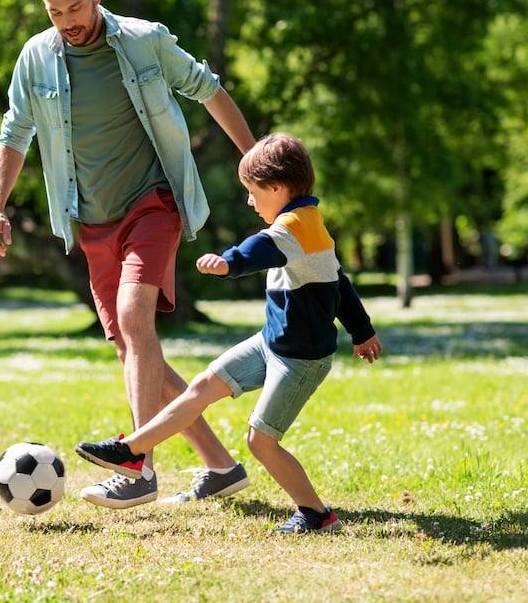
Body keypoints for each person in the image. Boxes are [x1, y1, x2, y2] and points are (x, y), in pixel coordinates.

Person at [0, 0, 258, 509]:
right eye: (56, 12)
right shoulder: (35, 58)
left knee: (136, 320)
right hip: (90, 218)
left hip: (152, 202)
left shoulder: (143, 40)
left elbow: (209, 89)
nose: (68, 21)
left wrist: (257, 169)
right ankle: (221, 468)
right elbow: (14, 133)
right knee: (132, 349)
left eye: (76, 7)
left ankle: (137, 466)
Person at [75, 133, 384, 533]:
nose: (250, 201)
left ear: (277, 187)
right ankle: (132, 452)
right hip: (270, 343)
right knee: (201, 386)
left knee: (261, 441)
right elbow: (339, 284)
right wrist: (363, 332)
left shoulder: (295, 227)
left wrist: (228, 263)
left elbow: (261, 249)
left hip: (300, 359)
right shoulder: (309, 224)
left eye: (253, 192)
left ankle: (315, 514)